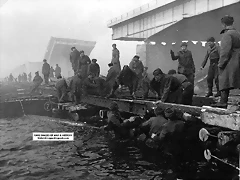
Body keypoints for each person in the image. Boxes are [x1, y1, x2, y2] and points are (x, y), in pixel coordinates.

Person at [212, 15, 240, 109]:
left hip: (230, 62)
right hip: (238, 61)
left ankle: (223, 102)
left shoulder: (227, 35)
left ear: (223, 24)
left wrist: (221, 64)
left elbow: (225, 51)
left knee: (224, 80)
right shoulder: (237, 33)